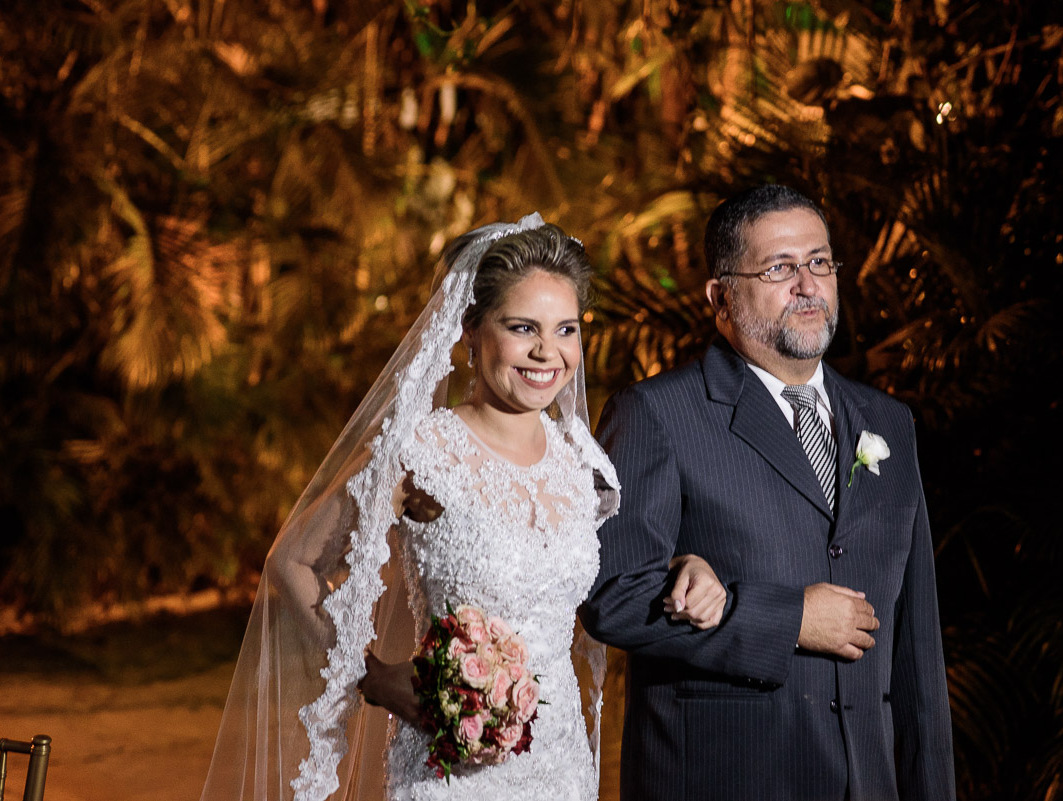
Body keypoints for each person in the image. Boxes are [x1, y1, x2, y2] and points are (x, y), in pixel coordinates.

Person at [199, 213, 721, 801]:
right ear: (470, 330)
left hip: (561, 767)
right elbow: (293, 561)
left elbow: (619, 578)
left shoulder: (580, 460)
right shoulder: (420, 451)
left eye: (567, 329)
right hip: (447, 772)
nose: (548, 352)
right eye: (523, 327)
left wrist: (689, 565)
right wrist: (371, 677)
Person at [581, 185, 955, 801]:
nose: (808, 285)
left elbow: (917, 653)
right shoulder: (657, 414)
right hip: (728, 777)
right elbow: (611, 597)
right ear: (721, 297)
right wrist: (789, 620)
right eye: (780, 268)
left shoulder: (889, 423)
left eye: (819, 262)